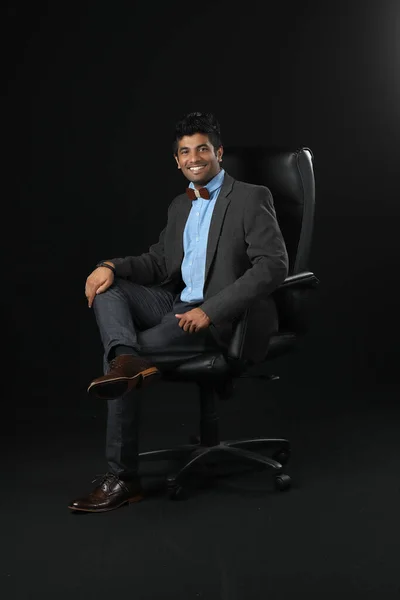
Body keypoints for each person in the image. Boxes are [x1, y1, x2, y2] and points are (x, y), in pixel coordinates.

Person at [68, 112, 289, 513]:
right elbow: (159, 263)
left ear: (218, 153)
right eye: (185, 151)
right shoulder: (179, 205)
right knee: (109, 293)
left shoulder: (251, 197)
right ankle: (125, 356)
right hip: (175, 304)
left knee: (120, 369)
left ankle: (124, 479)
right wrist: (110, 266)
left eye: (202, 148)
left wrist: (212, 309)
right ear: (177, 161)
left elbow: (273, 265)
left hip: (222, 317)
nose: (194, 157)